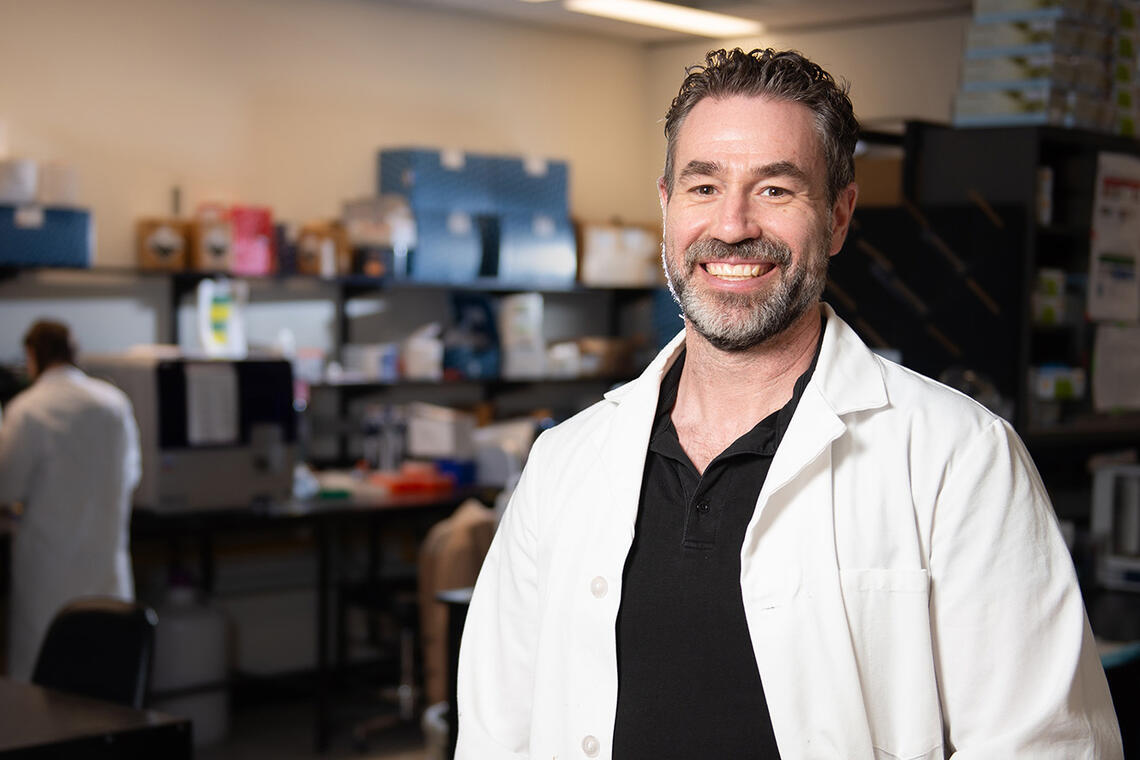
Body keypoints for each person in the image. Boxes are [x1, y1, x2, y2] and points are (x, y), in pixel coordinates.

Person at [456, 48, 1122, 759]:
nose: (733, 224)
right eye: (704, 186)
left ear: (838, 216)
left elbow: (1046, 748)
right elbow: (498, 736)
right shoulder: (565, 463)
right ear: (666, 205)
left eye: (775, 190)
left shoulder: (960, 458)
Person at [0, 320, 141, 680]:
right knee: (107, 682)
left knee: (45, 682)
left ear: (33, 356)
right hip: (106, 565)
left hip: (50, 573)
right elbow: (131, 476)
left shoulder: (27, 410)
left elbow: (6, 488)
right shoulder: (114, 403)